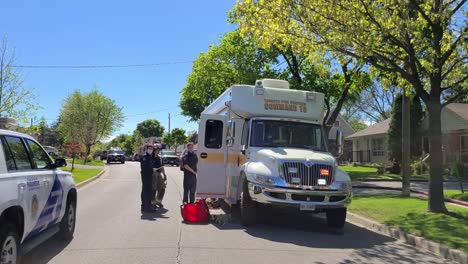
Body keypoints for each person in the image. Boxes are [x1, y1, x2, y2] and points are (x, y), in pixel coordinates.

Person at [140, 144, 157, 213]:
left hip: (148, 175)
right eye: (149, 148)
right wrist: (152, 170)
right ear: (146, 149)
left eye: (152, 149)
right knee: (147, 191)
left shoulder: (149, 156)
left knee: (145, 190)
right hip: (146, 175)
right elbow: (144, 167)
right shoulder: (145, 157)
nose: (151, 150)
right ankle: (147, 207)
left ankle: (145, 206)